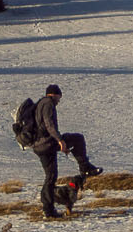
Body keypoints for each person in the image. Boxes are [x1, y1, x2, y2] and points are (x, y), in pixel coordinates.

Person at [33, 83, 100, 219]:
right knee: (51, 176)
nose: (59, 101)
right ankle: (48, 210)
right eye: (59, 98)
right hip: (47, 144)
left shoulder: (41, 103)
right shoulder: (48, 104)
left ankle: (48, 208)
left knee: (51, 176)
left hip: (40, 145)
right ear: (56, 95)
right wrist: (60, 141)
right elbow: (49, 124)